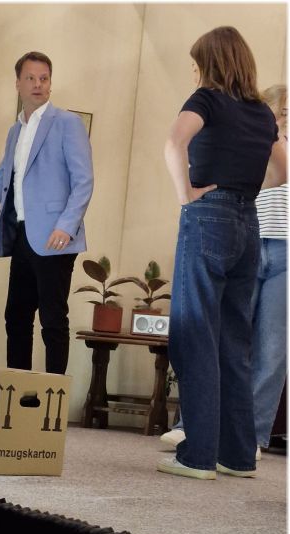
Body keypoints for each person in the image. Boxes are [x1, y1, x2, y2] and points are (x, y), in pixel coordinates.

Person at [159, 26, 286, 480]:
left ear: (209, 63)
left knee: (195, 333)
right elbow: (283, 172)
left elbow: (174, 142)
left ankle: (197, 456)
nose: (194, 72)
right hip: (247, 224)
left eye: (196, 64)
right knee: (235, 341)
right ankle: (237, 456)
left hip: (208, 216)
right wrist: (244, 188)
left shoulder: (206, 100)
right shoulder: (261, 112)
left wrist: (187, 196)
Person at [0, 51, 94, 374]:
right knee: (16, 317)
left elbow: (84, 181)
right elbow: (2, 181)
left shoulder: (67, 123)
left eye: (44, 78)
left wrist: (66, 226)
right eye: (30, 78)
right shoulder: (16, 131)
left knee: (52, 320)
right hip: (22, 235)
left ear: (50, 83)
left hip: (56, 237)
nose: (37, 84)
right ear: (18, 83)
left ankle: (53, 391)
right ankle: (21, 391)